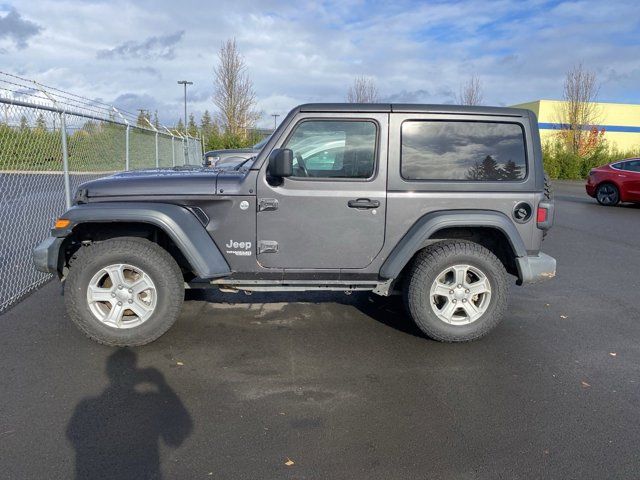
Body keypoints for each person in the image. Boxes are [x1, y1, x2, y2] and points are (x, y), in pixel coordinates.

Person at [66, 349, 193, 479]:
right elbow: (175, 437)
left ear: (108, 373)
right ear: (136, 375)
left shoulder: (86, 407)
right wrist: (161, 384)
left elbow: (73, 436)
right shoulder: (150, 403)